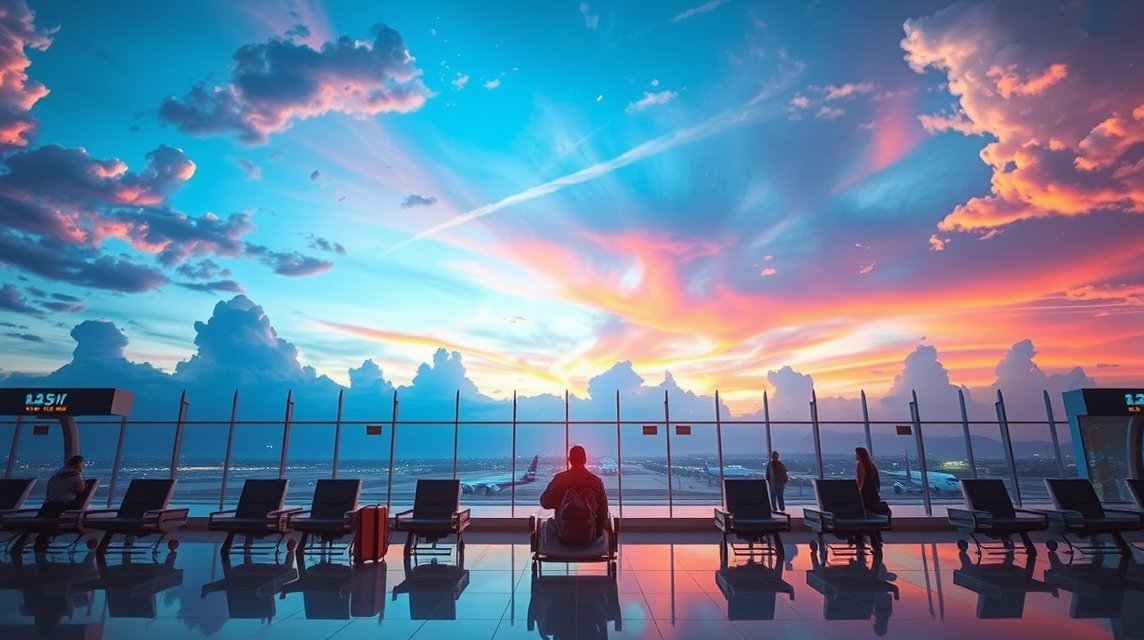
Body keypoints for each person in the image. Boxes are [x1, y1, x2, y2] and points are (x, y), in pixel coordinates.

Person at [540, 445, 609, 546]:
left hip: (563, 534)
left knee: (547, 524)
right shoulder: (596, 481)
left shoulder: (559, 479)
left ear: (569, 460)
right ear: (585, 459)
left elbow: (545, 503)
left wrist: (560, 501)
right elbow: (603, 511)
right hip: (590, 535)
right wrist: (597, 532)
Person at [41, 454, 86, 519]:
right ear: (79, 465)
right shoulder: (76, 477)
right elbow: (81, 489)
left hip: (46, 507)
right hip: (60, 509)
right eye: (83, 465)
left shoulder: (55, 476)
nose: (84, 467)